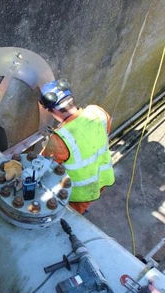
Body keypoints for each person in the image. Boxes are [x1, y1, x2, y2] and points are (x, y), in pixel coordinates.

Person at [38, 79, 115, 215]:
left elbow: (43, 164)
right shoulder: (97, 112)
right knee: (91, 199)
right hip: (103, 176)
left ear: (53, 110)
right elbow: (105, 130)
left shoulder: (61, 138)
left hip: (80, 193)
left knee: (71, 218)